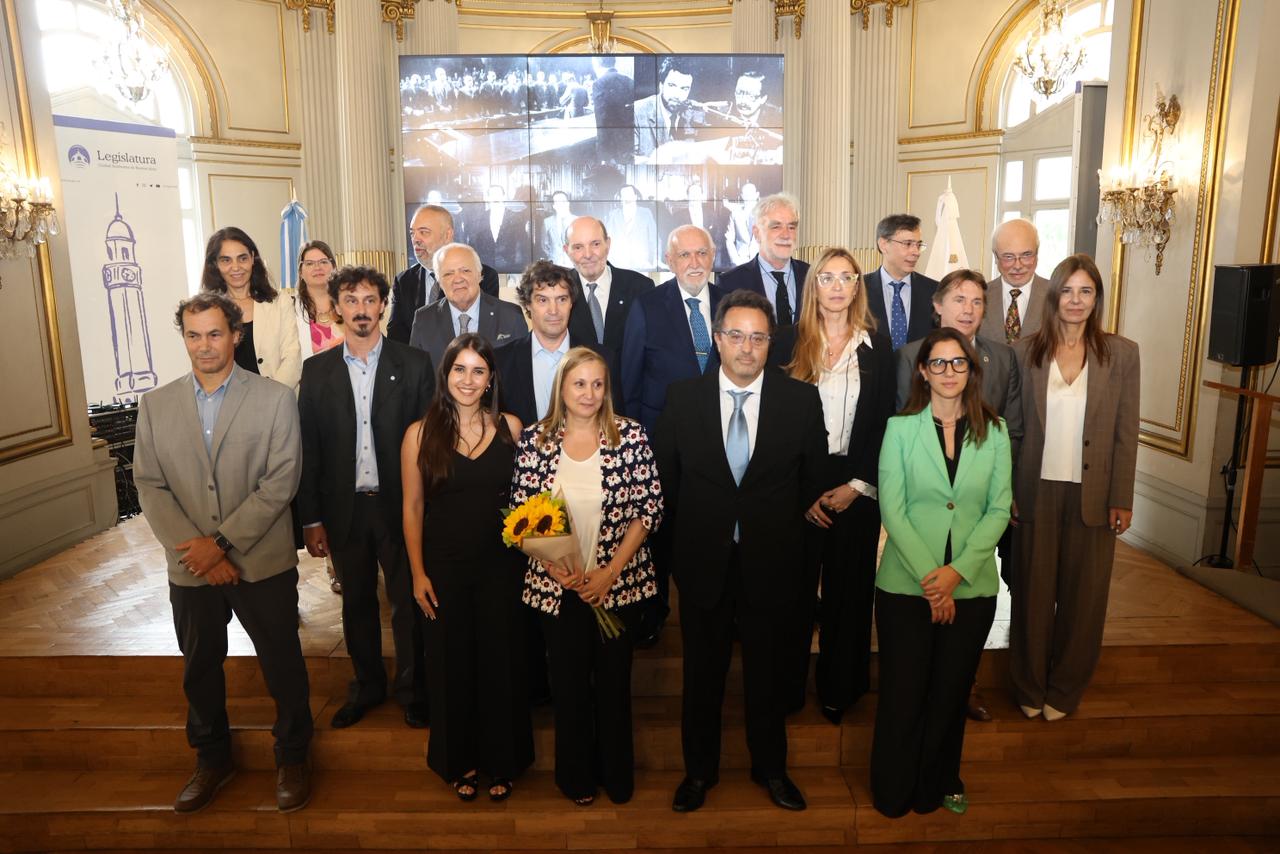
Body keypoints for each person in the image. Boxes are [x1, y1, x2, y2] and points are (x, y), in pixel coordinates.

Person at [133, 292, 311, 814]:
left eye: (215, 333)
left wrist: (222, 544)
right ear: (183, 338)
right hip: (191, 568)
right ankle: (212, 759)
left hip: (261, 561)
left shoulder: (275, 399)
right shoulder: (156, 404)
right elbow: (149, 484)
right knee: (200, 667)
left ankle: (294, 755)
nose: (204, 345)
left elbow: (282, 481)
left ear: (235, 336)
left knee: (283, 662)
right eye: (193, 335)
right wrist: (199, 552)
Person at [654, 289, 828, 814]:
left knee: (767, 677)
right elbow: (666, 486)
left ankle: (771, 769)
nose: (746, 348)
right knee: (701, 678)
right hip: (703, 564)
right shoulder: (682, 398)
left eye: (757, 337)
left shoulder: (800, 400)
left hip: (772, 565)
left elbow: (812, 486)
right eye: (736, 335)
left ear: (769, 342)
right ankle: (698, 773)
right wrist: (674, 566)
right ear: (717, 339)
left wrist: (803, 566)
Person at [511, 346, 663, 806]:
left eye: (598, 384)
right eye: (580, 383)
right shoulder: (537, 440)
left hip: (618, 585)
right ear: (562, 386)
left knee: (614, 685)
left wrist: (610, 572)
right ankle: (575, 778)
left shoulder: (630, 436)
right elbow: (521, 517)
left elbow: (649, 509)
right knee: (571, 687)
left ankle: (617, 776)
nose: (589, 393)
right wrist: (556, 566)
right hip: (556, 588)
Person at [872, 327, 1011, 818]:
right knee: (903, 693)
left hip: (971, 588)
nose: (949, 372)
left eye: (959, 363)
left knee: (950, 693)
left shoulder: (993, 432)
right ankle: (894, 785)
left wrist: (957, 574)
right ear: (922, 371)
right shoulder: (899, 428)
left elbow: (999, 510)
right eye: (939, 363)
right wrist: (935, 579)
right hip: (905, 586)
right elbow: (893, 509)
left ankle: (938, 781)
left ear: (971, 372)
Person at [297, 265, 434, 731]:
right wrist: (311, 519)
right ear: (336, 308)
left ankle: (414, 691)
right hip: (344, 508)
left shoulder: (413, 364)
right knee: (355, 603)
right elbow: (309, 450)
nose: (361, 309)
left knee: (407, 603)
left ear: (383, 306)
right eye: (351, 300)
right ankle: (368, 686)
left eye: (370, 299)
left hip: (400, 505)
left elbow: (429, 444)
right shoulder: (315, 373)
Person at [400, 333, 532, 802]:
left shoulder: (512, 428)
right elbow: (413, 508)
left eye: (479, 370)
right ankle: (459, 761)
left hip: (502, 568)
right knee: (450, 667)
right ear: (446, 374)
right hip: (444, 569)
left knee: (501, 664)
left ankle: (503, 760)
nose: (469, 379)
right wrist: (417, 573)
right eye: (460, 369)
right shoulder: (419, 433)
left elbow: (530, 503)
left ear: (491, 377)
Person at [1009, 254, 1139, 722]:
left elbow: (1126, 430)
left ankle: (1063, 689)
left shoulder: (1121, 354)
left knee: (1084, 600)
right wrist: (1008, 490)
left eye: (1086, 291)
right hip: (1035, 491)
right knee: (1032, 595)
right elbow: (1014, 430)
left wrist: (1122, 496)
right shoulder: (1024, 352)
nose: (1077, 300)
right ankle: (1028, 682)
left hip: (1095, 496)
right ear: (1054, 295)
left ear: (1097, 299)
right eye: (1068, 290)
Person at [894, 268, 1025, 722]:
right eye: (959, 300)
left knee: (957, 655)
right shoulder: (910, 354)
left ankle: (963, 687)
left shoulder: (1001, 358)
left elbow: (1011, 428)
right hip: (920, 519)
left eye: (976, 302)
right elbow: (904, 421)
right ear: (938, 305)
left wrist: (1004, 494)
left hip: (979, 506)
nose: (968, 309)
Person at [783, 249, 895, 724]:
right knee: (792, 594)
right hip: (799, 484)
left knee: (849, 597)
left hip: (857, 483)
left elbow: (884, 423)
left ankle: (838, 689)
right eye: (825, 277)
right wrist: (805, 492)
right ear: (814, 287)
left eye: (845, 277)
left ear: (856, 287)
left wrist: (858, 483)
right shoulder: (789, 343)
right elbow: (779, 423)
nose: (835, 286)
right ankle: (785, 690)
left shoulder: (877, 347)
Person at [620, 225, 724, 431]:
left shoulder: (730, 304)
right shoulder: (646, 307)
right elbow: (630, 383)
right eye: (684, 255)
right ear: (670, 261)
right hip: (662, 432)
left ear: (713, 256)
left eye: (702, 253)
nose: (695, 263)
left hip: (719, 430)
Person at [495, 260, 616, 427]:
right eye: (543, 300)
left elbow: (614, 422)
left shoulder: (603, 359)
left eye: (561, 299)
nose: (554, 310)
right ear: (528, 305)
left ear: (571, 303)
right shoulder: (501, 361)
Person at [291, 239, 344, 594]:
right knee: (320, 478)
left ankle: (347, 559)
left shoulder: (348, 302)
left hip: (347, 405)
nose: (318, 267)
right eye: (310, 263)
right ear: (301, 270)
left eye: (323, 261)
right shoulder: (288, 308)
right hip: (308, 403)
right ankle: (332, 561)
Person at [201, 227, 301, 390]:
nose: (236, 267)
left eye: (242, 258)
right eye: (226, 260)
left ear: (253, 258)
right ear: (215, 264)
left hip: (277, 400)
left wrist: (270, 400)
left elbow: (292, 357)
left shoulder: (280, 303)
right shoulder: (208, 312)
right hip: (230, 405)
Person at [388, 204, 500, 344]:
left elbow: (486, 334)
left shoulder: (482, 276)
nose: (415, 239)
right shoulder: (404, 281)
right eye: (412, 233)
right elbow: (396, 338)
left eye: (424, 232)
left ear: (447, 235)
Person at [409, 243, 526, 367]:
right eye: (448, 273)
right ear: (439, 282)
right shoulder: (424, 319)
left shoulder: (511, 316)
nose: (458, 279)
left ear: (479, 275)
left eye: (465, 270)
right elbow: (417, 376)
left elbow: (521, 371)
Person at [717, 192, 808, 327]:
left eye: (791, 227)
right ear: (757, 233)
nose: (786, 235)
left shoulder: (811, 276)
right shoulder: (730, 283)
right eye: (776, 227)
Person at [564, 216, 651, 354]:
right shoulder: (560, 290)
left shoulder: (640, 287)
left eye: (595, 244)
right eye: (578, 247)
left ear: (608, 244)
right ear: (566, 250)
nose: (588, 254)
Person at [863, 214, 939, 350]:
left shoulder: (934, 291)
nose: (916, 252)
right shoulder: (859, 289)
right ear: (884, 245)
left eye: (918, 245)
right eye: (908, 244)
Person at [982, 218, 1050, 345]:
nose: (1018, 265)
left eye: (1026, 255)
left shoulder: (1056, 296)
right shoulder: (980, 296)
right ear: (996, 257)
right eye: (1008, 257)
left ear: (1037, 254)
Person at [634, 58, 697, 157]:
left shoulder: (694, 114)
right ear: (661, 85)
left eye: (684, 89)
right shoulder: (636, 112)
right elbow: (629, 159)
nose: (677, 95)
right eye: (672, 85)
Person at [466, 185, 530, 273]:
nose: (495, 198)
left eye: (498, 194)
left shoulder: (516, 218)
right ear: (488, 198)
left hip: (510, 267)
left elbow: (522, 244)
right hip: (485, 267)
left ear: (504, 197)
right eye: (492, 195)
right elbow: (475, 244)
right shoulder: (480, 218)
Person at [591, 56, 634, 164]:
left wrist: (603, 154)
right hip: (629, 143)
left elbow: (601, 121)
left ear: (598, 62)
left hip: (611, 148)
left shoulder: (599, 84)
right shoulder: (629, 81)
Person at [604, 184, 657, 271]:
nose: (627, 198)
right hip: (618, 266)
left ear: (635, 197)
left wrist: (656, 259)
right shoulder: (614, 215)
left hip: (642, 265)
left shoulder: (646, 213)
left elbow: (654, 239)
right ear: (621, 199)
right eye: (624, 195)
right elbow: (606, 239)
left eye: (629, 194)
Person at [723, 183, 760, 267]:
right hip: (739, 262)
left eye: (750, 193)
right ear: (742, 196)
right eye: (746, 193)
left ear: (756, 195)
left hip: (761, 263)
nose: (748, 196)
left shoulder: (765, 214)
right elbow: (729, 239)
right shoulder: (735, 214)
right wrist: (736, 261)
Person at [540, 192, 578, 267]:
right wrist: (554, 255)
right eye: (558, 202)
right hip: (554, 265)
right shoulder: (547, 222)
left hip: (574, 265)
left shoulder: (578, 220)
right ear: (554, 206)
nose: (562, 204)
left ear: (568, 203)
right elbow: (544, 245)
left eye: (563, 201)